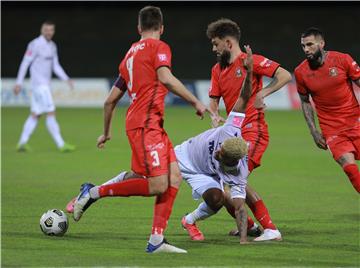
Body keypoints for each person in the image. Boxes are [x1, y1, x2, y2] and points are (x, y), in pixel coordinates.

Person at [71, 6, 209, 254]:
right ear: (162, 28)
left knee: (174, 176)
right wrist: (195, 101)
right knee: (157, 185)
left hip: (148, 123)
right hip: (145, 125)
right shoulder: (160, 47)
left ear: (138, 28)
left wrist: (106, 132)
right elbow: (166, 78)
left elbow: (110, 100)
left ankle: (156, 240)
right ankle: (94, 193)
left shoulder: (128, 56)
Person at [200, 18, 292, 241]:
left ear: (229, 43)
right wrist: (214, 115)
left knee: (231, 183)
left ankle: (270, 229)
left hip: (254, 131)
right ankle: (250, 226)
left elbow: (285, 75)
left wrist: (264, 93)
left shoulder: (251, 62)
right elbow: (213, 100)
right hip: (234, 134)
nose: (213, 49)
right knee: (224, 183)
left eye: (216, 43)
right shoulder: (217, 69)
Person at [179, 45, 254, 244]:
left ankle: (189, 220)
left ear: (230, 160)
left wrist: (243, 240)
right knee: (149, 180)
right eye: (220, 148)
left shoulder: (238, 175)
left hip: (203, 172)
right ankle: (97, 192)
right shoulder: (231, 129)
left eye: (221, 154)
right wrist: (249, 72)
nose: (218, 151)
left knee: (217, 199)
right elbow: (245, 97)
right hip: (183, 155)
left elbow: (239, 208)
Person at [294, 27, 360, 193]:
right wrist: (313, 131)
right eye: (303, 46)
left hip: (355, 122)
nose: (306, 49)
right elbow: (305, 101)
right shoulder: (301, 72)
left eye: (310, 44)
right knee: (350, 169)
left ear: (321, 43)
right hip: (332, 130)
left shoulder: (342, 60)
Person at [14, 21, 75, 153]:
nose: (49, 32)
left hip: (43, 86)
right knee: (51, 112)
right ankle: (61, 144)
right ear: (42, 30)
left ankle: (22, 143)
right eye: (46, 30)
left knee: (35, 114)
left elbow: (55, 66)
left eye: (51, 30)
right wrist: (18, 82)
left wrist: (66, 78)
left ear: (53, 31)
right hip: (39, 86)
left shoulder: (52, 46)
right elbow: (25, 63)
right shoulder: (35, 44)